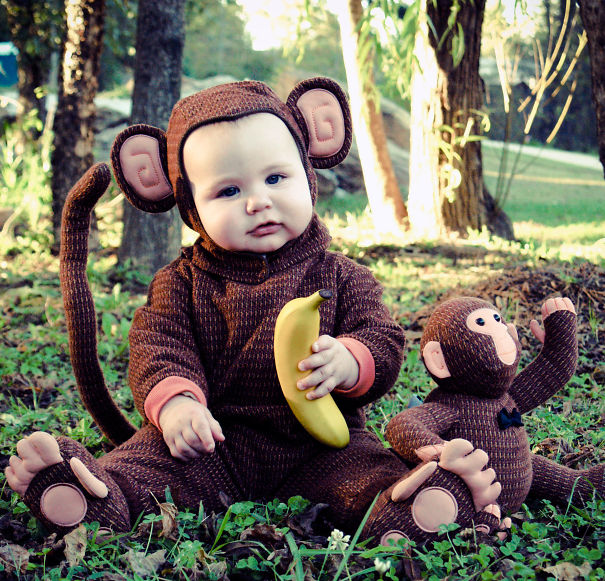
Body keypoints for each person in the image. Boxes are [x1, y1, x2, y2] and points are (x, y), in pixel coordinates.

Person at [6, 78, 500, 544]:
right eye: (228, 190)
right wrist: (177, 404)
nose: (257, 202)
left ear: (308, 176)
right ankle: (90, 495)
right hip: (213, 442)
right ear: (189, 206)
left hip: (323, 445)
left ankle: (416, 505)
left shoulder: (340, 276)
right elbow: (158, 347)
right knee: (145, 468)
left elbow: (384, 337)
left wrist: (351, 360)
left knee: (370, 477)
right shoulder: (181, 284)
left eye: (275, 177)